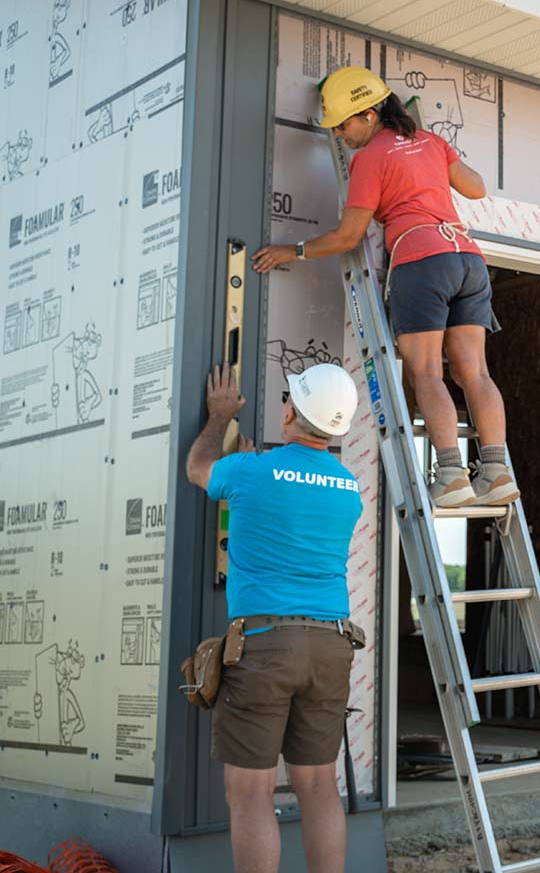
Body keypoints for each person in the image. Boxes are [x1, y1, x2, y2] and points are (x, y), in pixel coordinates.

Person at [251, 66, 517, 508]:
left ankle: (451, 474)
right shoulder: (431, 142)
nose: (339, 133)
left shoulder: (370, 159)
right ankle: (496, 470)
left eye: (344, 123)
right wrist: (431, 160)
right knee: (475, 372)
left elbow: (346, 238)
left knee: (427, 372)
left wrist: (290, 252)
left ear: (371, 114)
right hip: (468, 259)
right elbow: (476, 188)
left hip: (422, 261)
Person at [185, 363, 365, 873]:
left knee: (250, 791)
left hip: (265, 644)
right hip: (331, 645)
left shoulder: (250, 472)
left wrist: (220, 418)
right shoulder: (349, 486)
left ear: (290, 412)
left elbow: (198, 469)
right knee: (317, 786)